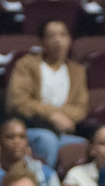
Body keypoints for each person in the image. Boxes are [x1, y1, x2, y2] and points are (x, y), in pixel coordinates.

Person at [5, 20, 89, 169]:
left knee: (82, 145)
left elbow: (81, 108)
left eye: (63, 35)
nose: (58, 40)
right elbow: (18, 101)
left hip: (62, 131)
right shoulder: (26, 65)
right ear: (42, 42)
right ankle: (43, 182)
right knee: (48, 140)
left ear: (69, 39)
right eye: (52, 36)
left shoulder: (77, 71)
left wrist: (59, 117)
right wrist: (51, 115)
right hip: (31, 127)